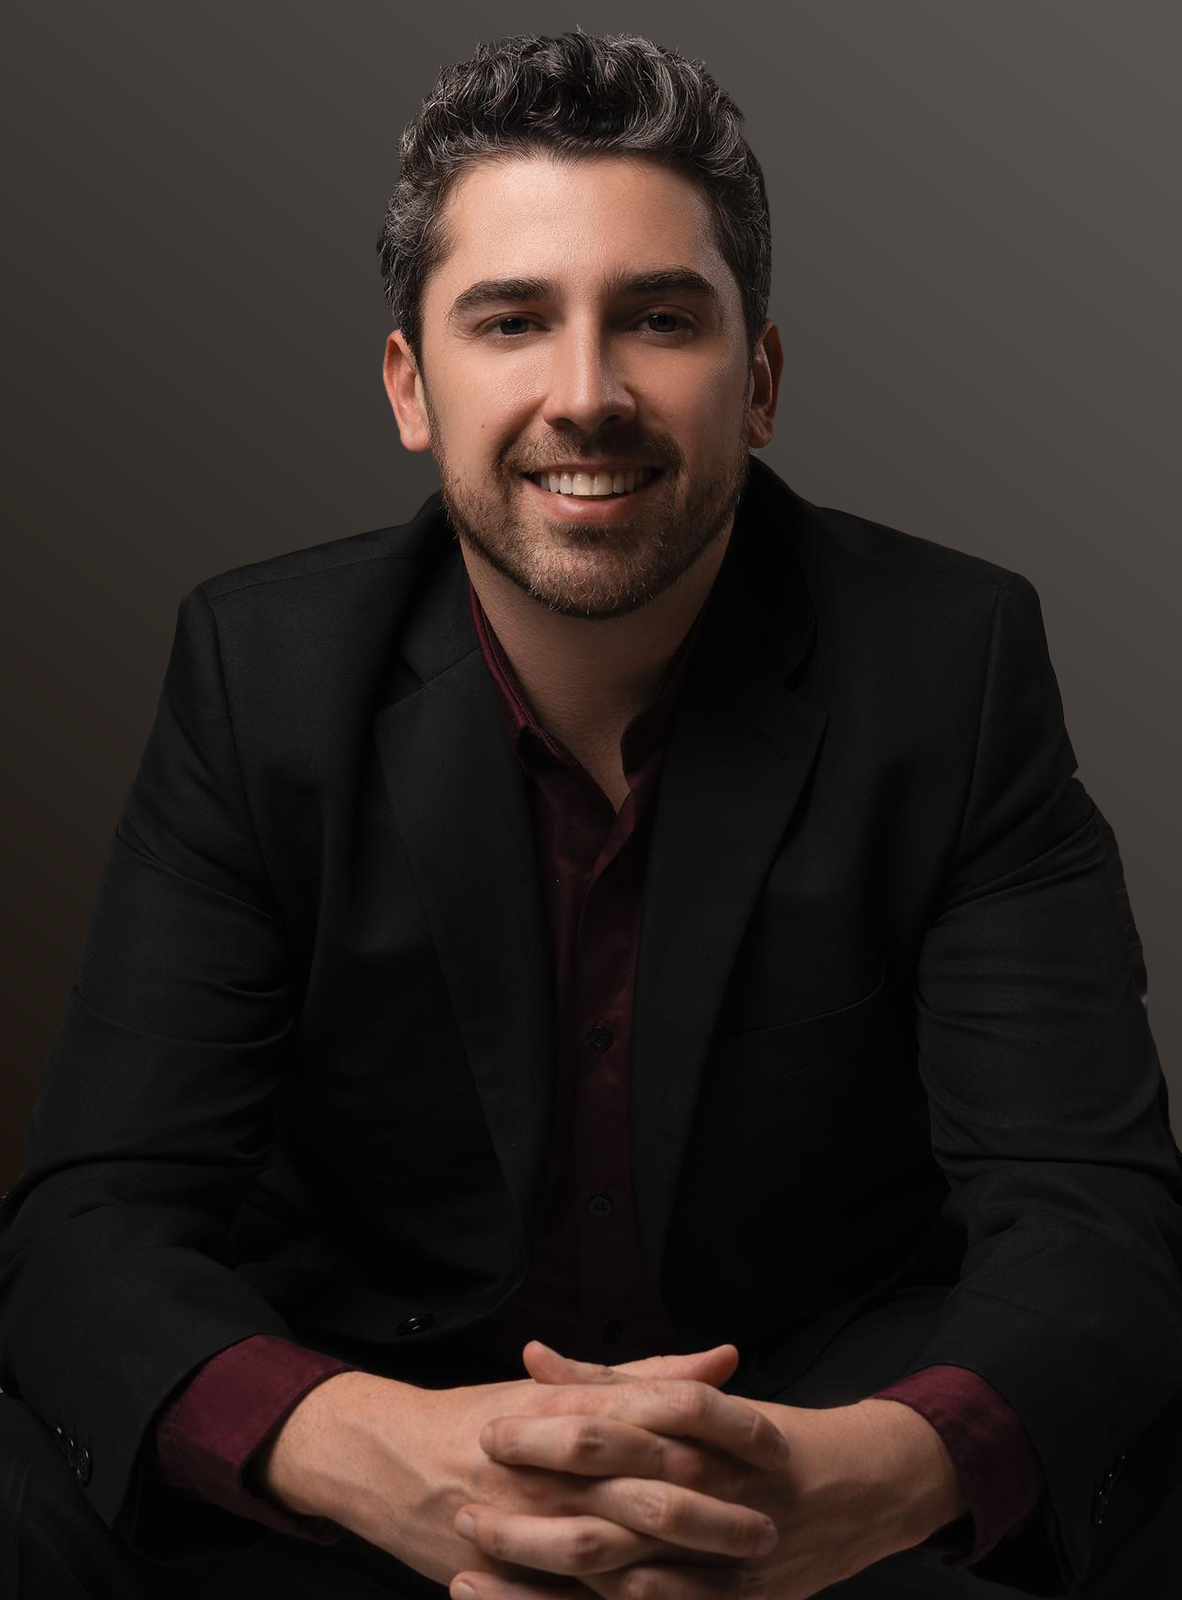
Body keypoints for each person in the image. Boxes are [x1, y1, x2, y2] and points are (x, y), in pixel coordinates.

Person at [2, 26, 1180, 1600]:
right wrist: (357, 1447)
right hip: (379, 1432)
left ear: (759, 383)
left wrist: (878, 1473)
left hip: (818, 1436)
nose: (586, 394)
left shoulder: (948, 663)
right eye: (510, 320)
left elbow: (1088, 1210)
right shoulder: (257, 670)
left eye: (659, 319)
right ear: (410, 388)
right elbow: (94, 1218)